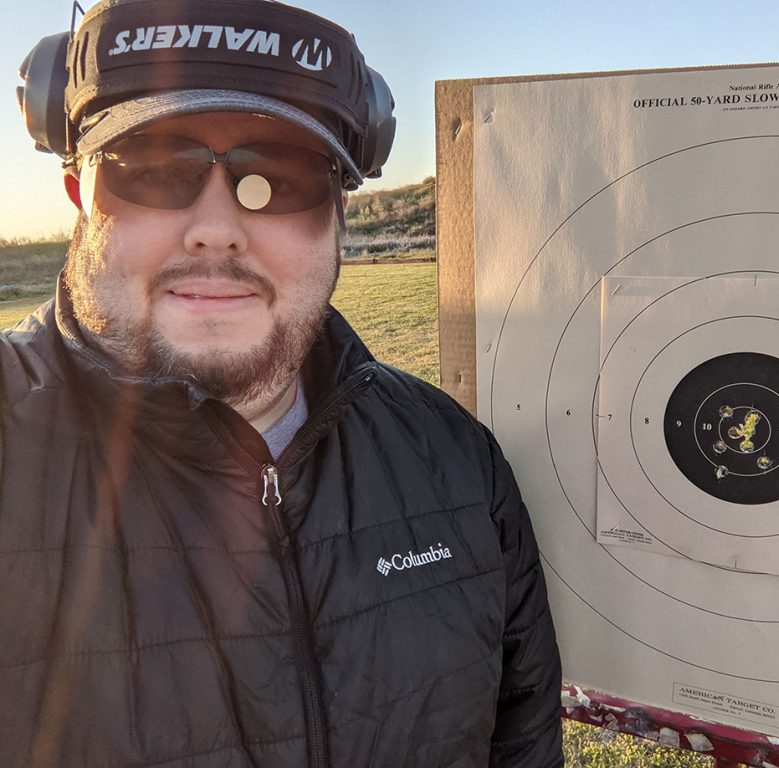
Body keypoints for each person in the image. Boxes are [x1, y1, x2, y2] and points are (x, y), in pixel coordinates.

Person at [3, 0, 564, 765]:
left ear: (337, 213)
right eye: (156, 171)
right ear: (80, 195)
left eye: (279, 177)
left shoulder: (457, 459)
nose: (216, 226)